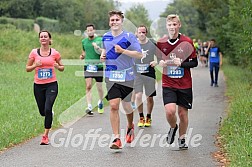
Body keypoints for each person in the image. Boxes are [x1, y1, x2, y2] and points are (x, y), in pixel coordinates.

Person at [100, 10, 143, 149]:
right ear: (109, 22)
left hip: (127, 76)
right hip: (111, 76)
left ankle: (130, 125)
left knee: (126, 105)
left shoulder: (129, 37)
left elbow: (139, 54)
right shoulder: (105, 37)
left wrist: (123, 51)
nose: (114, 22)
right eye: (112, 20)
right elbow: (105, 50)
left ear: (121, 22)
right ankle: (116, 138)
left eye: (117, 20)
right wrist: (103, 55)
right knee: (113, 105)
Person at [157, 14, 198, 149]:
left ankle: (182, 138)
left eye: (175, 24)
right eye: (170, 25)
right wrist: (160, 63)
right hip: (168, 82)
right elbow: (158, 60)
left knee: (182, 113)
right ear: (166, 26)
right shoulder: (161, 42)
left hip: (184, 83)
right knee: (170, 111)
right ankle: (173, 127)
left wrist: (181, 64)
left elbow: (194, 63)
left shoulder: (187, 42)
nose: (172, 27)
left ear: (179, 25)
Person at [26, 30, 64, 145]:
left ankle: (45, 136)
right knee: (43, 112)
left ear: (49, 39)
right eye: (41, 36)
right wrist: (35, 65)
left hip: (51, 84)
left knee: (48, 108)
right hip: (38, 86)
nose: (43, 38)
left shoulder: (55, 53)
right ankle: (49, 114)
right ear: (39, 39)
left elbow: (62, 67)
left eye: (45, 36)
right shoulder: (34, 53)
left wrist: (58, 66)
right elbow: (27, 68)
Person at [134, 25, 157, 127]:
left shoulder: (152, 44)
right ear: (137, 33)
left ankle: (148, 116)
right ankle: (141, 117)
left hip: (149, 73)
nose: (142, 34)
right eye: (140, 32)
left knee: (149, 98)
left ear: (146, 33)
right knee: (138, 95)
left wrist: (156, 61)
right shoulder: (133, 44)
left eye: (143, 32)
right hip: (137, 74)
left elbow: (161, 56)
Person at [80, 24, 104, 115]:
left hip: (98, 67)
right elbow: (84, 52)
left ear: (94, 31)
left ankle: (100, 102)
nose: (90, 32)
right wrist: (82, 56)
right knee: (88, 86)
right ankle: (89, 106)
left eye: (91, 30)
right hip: (88, 66)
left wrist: (97, 47)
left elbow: (104, 51)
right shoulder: (84, 41)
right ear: (86, 32)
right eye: (88, 31)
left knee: (99, 87)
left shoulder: (99, 40)